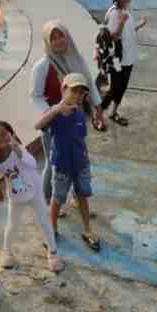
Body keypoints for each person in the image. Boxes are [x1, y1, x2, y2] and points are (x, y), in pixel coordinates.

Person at [31, 20, 106, 214]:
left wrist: (97, 107)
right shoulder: (43, 66)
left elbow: (88, 81)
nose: (58, 41)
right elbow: (35, 96)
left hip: (76, 118)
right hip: (54, 122)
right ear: (47, 42)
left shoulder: (76, 57)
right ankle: (48, 200)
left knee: (77, 157)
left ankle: (76, 196)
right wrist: (54, 111)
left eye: (60, 35)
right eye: (53, 38)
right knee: (52, 161)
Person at [35, 73, 100, 251]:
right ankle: (52, 230)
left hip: (80, 164)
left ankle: (87, 229)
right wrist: (56, 110)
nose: (77, 96)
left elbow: (82, 139)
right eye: (74, 91)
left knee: (82, 196)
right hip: (62, 166)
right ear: (63, 89)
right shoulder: (54, 112)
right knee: (57, 199)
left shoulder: (80, 113)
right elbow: (38, 125)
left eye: (81, 93)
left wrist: (86, 160)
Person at [0, 121, 64, 273]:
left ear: (11, 134)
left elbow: (32, 163)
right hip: (16, 196)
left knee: (44, 220)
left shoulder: (18, 150)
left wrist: (17, 148)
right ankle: (7, 251)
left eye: (4, 134)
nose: (1, 138)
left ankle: (53, 252)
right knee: (12, 224)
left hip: (35, 190)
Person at [100, 0, 147, 126]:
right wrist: (121, 22)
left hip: (128, 56)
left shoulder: (126, 9)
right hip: (118, 59)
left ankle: (113, 112)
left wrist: (139, 25)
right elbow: (113, 36)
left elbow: (129, 31)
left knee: (122, 87)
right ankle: (99, 112)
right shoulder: (114, 13)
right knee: (115, 88)